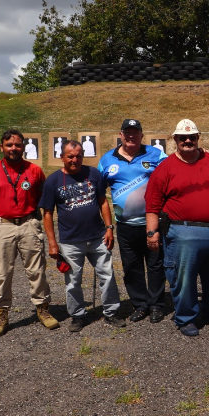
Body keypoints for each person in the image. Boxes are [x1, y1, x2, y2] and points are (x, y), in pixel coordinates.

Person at [145, 119, 209, 337]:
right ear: (175, 140)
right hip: (184, 232)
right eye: (183, 137)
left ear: (198, 138)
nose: (187, 141)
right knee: (183, 278)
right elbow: (152, 205)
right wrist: (152, 233)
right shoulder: (165, 168)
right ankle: (186, 317)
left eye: (192, 137)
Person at [0, 129, 59, 338]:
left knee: (36, 270)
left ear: (23, 146)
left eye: (18, 145)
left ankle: (42, 308)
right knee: (1, 273)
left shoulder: (34, 170)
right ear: (1, 147)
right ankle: (1, 314)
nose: (14, 148)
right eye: (9, 145)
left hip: (29, 224)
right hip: (3, 225)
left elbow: (43, 195)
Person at [39, 140, 126, 332]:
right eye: (70, 156)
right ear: (62, 157)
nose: (74, 159)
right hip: (70, 241)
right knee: (73, 281)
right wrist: (52, 244)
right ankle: (78, 315)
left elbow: (103, 201)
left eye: (78, 155)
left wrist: (109, 228)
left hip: (97, 237)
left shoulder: (93, 174)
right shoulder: (53, 181)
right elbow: (47, 213)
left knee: (108, 275)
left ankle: (111, 312)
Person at [98, 119, 167, 324]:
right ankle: (140, 304)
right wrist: (107, 226)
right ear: (120, 134)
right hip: (126, 226)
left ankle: (156, 305)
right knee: (132, 266)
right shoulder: (107, 159)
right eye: (127, 132)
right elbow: (99, 193)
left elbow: (170, 176)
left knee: (156, 265)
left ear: (141, 135)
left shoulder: (156, 155)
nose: (131, 136)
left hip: (152, 223)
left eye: (135, 132)